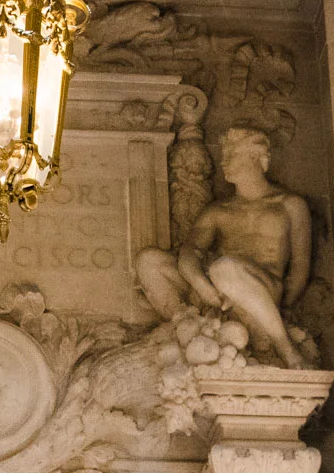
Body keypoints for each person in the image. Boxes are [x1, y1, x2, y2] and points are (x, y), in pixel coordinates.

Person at [132, 125, 312, 368]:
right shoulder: (218, 211)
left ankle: (286, 348)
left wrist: (281, 309)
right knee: (149, 260)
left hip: (263, 289)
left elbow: (300, 269)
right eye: (224, 154)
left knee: (224, 268)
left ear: (258, 158)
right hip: (217, 296)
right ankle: (192, 330)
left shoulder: (290, 205)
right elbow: (190, 252)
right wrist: (200, 284)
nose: (224, 161)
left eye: (232, 154)